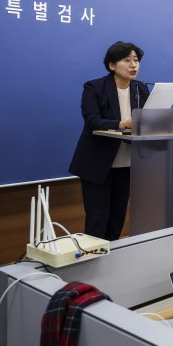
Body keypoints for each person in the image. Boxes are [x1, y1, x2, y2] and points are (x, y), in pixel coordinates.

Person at [68, 41, 149, 240]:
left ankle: (110, 263)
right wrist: (123, 123)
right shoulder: (94, 87)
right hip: (97, 164)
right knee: (98, 218)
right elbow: (93, 122)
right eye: (127, 60)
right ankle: (93, 265)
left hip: (127, 164)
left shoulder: (141, 89)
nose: (133, 65)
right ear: (112, 65)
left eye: (136, 61)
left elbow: (148, 121)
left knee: (117, 218)